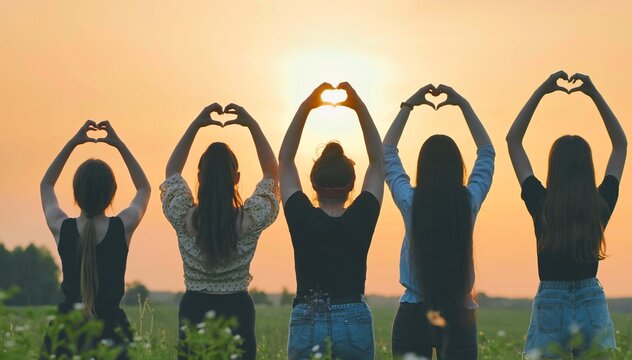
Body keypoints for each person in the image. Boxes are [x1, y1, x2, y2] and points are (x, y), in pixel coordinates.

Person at [506, 71, 627, 358]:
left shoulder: (541, 202)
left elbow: (513, 140)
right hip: (591, 300)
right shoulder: (599, 204)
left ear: (553, 167)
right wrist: (594, 93)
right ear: (588, 168)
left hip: (551, 300)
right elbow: (620, 144)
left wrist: (542, 91)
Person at [384, 84, 495, 359]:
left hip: (413, 314)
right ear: (458, 167)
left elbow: (387, 152)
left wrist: (408, 106)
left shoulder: (411, 203)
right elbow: (486, 152)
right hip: (459, 313)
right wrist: (464, 105)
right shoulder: (467, 202)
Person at [161, 102, 279, 360]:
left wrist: (196, 125)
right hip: (238, 308)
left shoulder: (183, 215)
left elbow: (172, 171)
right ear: (235, 178)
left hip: (194, 307)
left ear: (200, 177)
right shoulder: (250, 218)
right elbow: (272, 173)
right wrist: (252, 125)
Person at [279, 82, 384, 360]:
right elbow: (377, 161)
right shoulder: (362, 215)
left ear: (312, 182)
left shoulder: (301, 215)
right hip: (353, 315)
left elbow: (286, 160)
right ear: (352, 184)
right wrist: (358, 105)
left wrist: (307, 106)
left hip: (307, 315)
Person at [40, 120, 151, 358]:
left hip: (65, 332)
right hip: (112, 333)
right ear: (112, 193)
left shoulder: (62, 227)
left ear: (76, 193)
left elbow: (46, 185)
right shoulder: (123, 227)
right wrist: (118, 144)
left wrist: (73, 143)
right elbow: (144, 188)